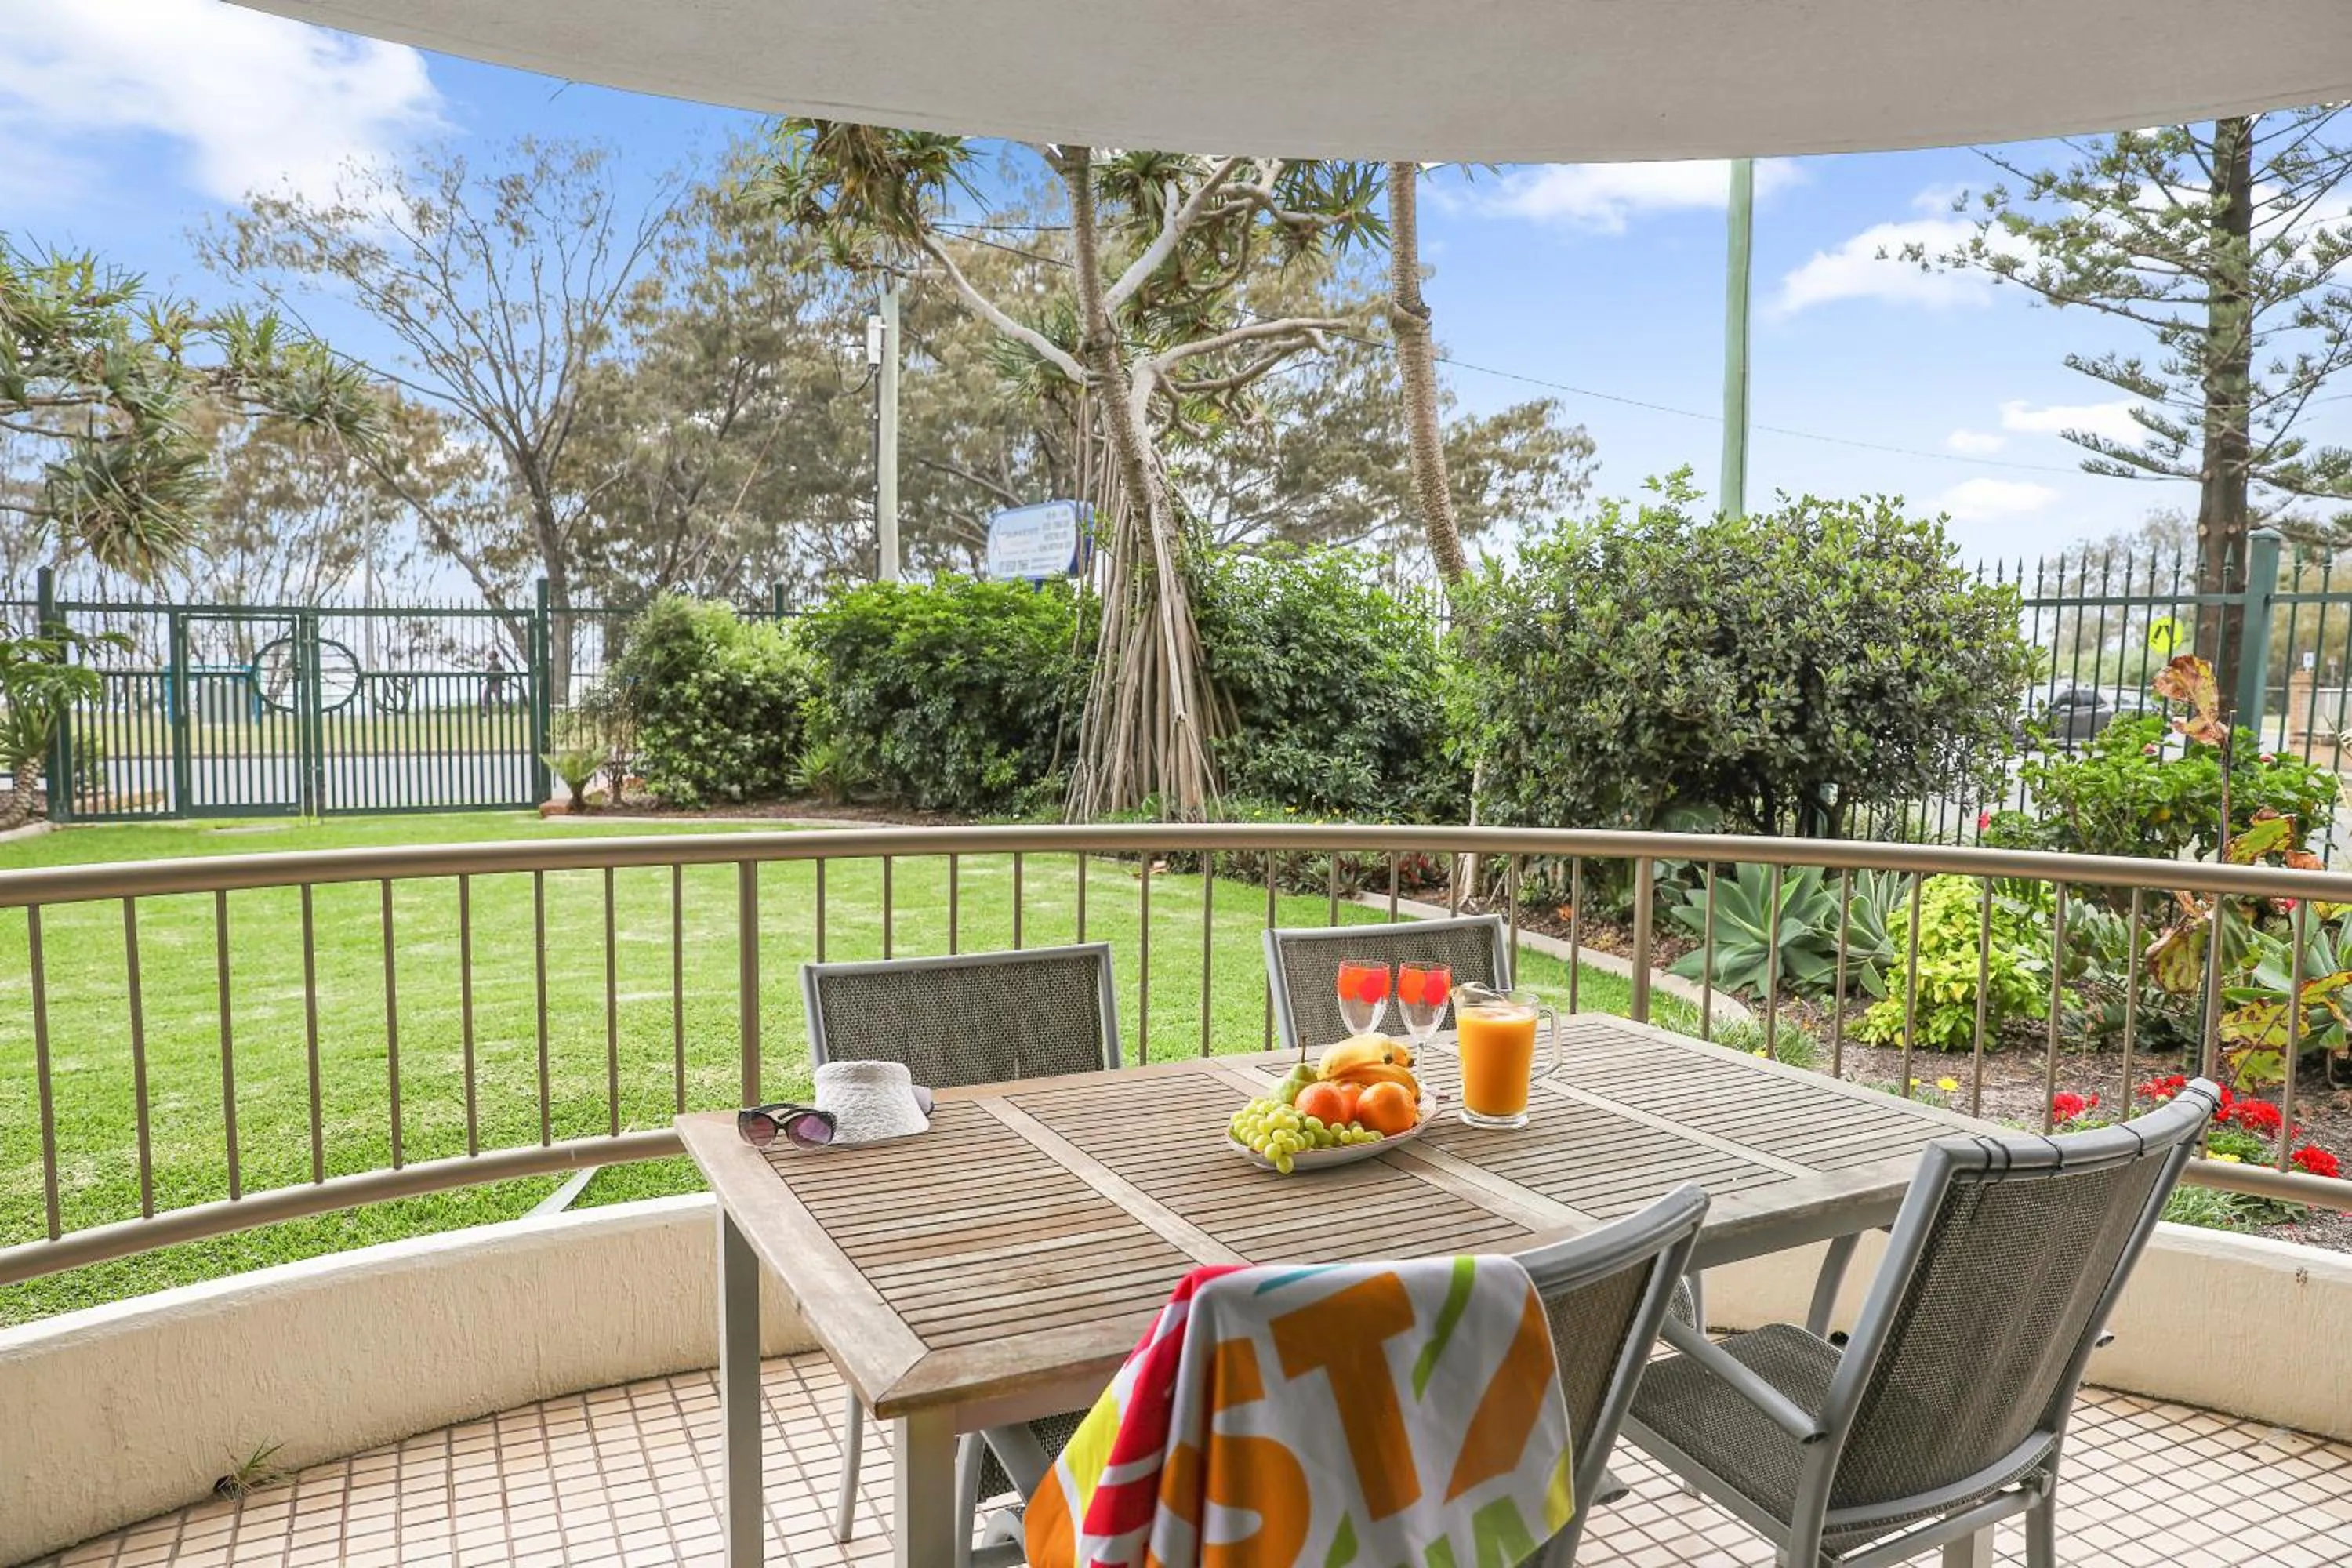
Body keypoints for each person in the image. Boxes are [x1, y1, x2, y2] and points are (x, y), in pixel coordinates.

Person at [480, 647, 508, 715]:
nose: (491, 656)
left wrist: (500, 681)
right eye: (490, 655)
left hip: (496, 683)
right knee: (484, 697)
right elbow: (486, 674)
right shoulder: (489, 665)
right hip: (489, 683)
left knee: (498, 699)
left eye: (492, 655)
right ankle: (484, 712)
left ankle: (506, 706)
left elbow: (503, 674)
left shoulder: (498, 665)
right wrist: (484, 680)